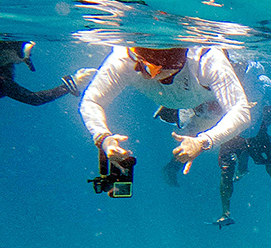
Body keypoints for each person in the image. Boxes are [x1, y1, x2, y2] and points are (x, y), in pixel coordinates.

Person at [79, 44, 251, 178]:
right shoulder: (127, 59)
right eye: (136, 58)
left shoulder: (207, 60)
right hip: (179, 96)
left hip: (204, 95)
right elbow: (91, 100)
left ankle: (181, 106)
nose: (138, 69)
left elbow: (241, 111)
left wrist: (204, 141)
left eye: (147, 68)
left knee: (216, 111)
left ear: (172, 66)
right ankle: (174, 104)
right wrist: (103, 138)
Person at [215, 61, 271, 227]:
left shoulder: (261, 79)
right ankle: (225, 213)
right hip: (231, 130)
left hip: (254, 130)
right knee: (226, 170)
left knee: (270, 162)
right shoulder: (222, 75)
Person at [0, 40, 95, 105]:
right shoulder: (3, 82)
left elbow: (33, 99)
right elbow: (33, 99)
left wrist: (68, 86)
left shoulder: (3, 79)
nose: (19, 62)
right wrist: (69, 86)